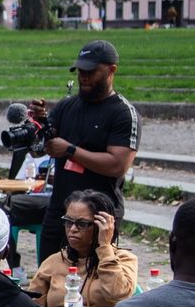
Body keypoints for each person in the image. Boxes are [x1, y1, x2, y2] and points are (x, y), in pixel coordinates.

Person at [29, 40, 140, 264]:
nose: (84, 77)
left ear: (111, 70)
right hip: (61, 210)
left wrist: (69, 150)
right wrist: (37, 125)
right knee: (49, 275)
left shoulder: (122, 113)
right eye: (80, 71)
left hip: (99, 214)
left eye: (91, 71)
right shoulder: (66, 106)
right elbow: (38, 150)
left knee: (94, 280)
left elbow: (118, 164)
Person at [26, 189, 137, 307]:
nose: (72, 229)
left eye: (82, 224)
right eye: (68, 221)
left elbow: (118, 295)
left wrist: (105, 248)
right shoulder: (54, 262)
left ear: (102, 226)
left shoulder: (123, 259)